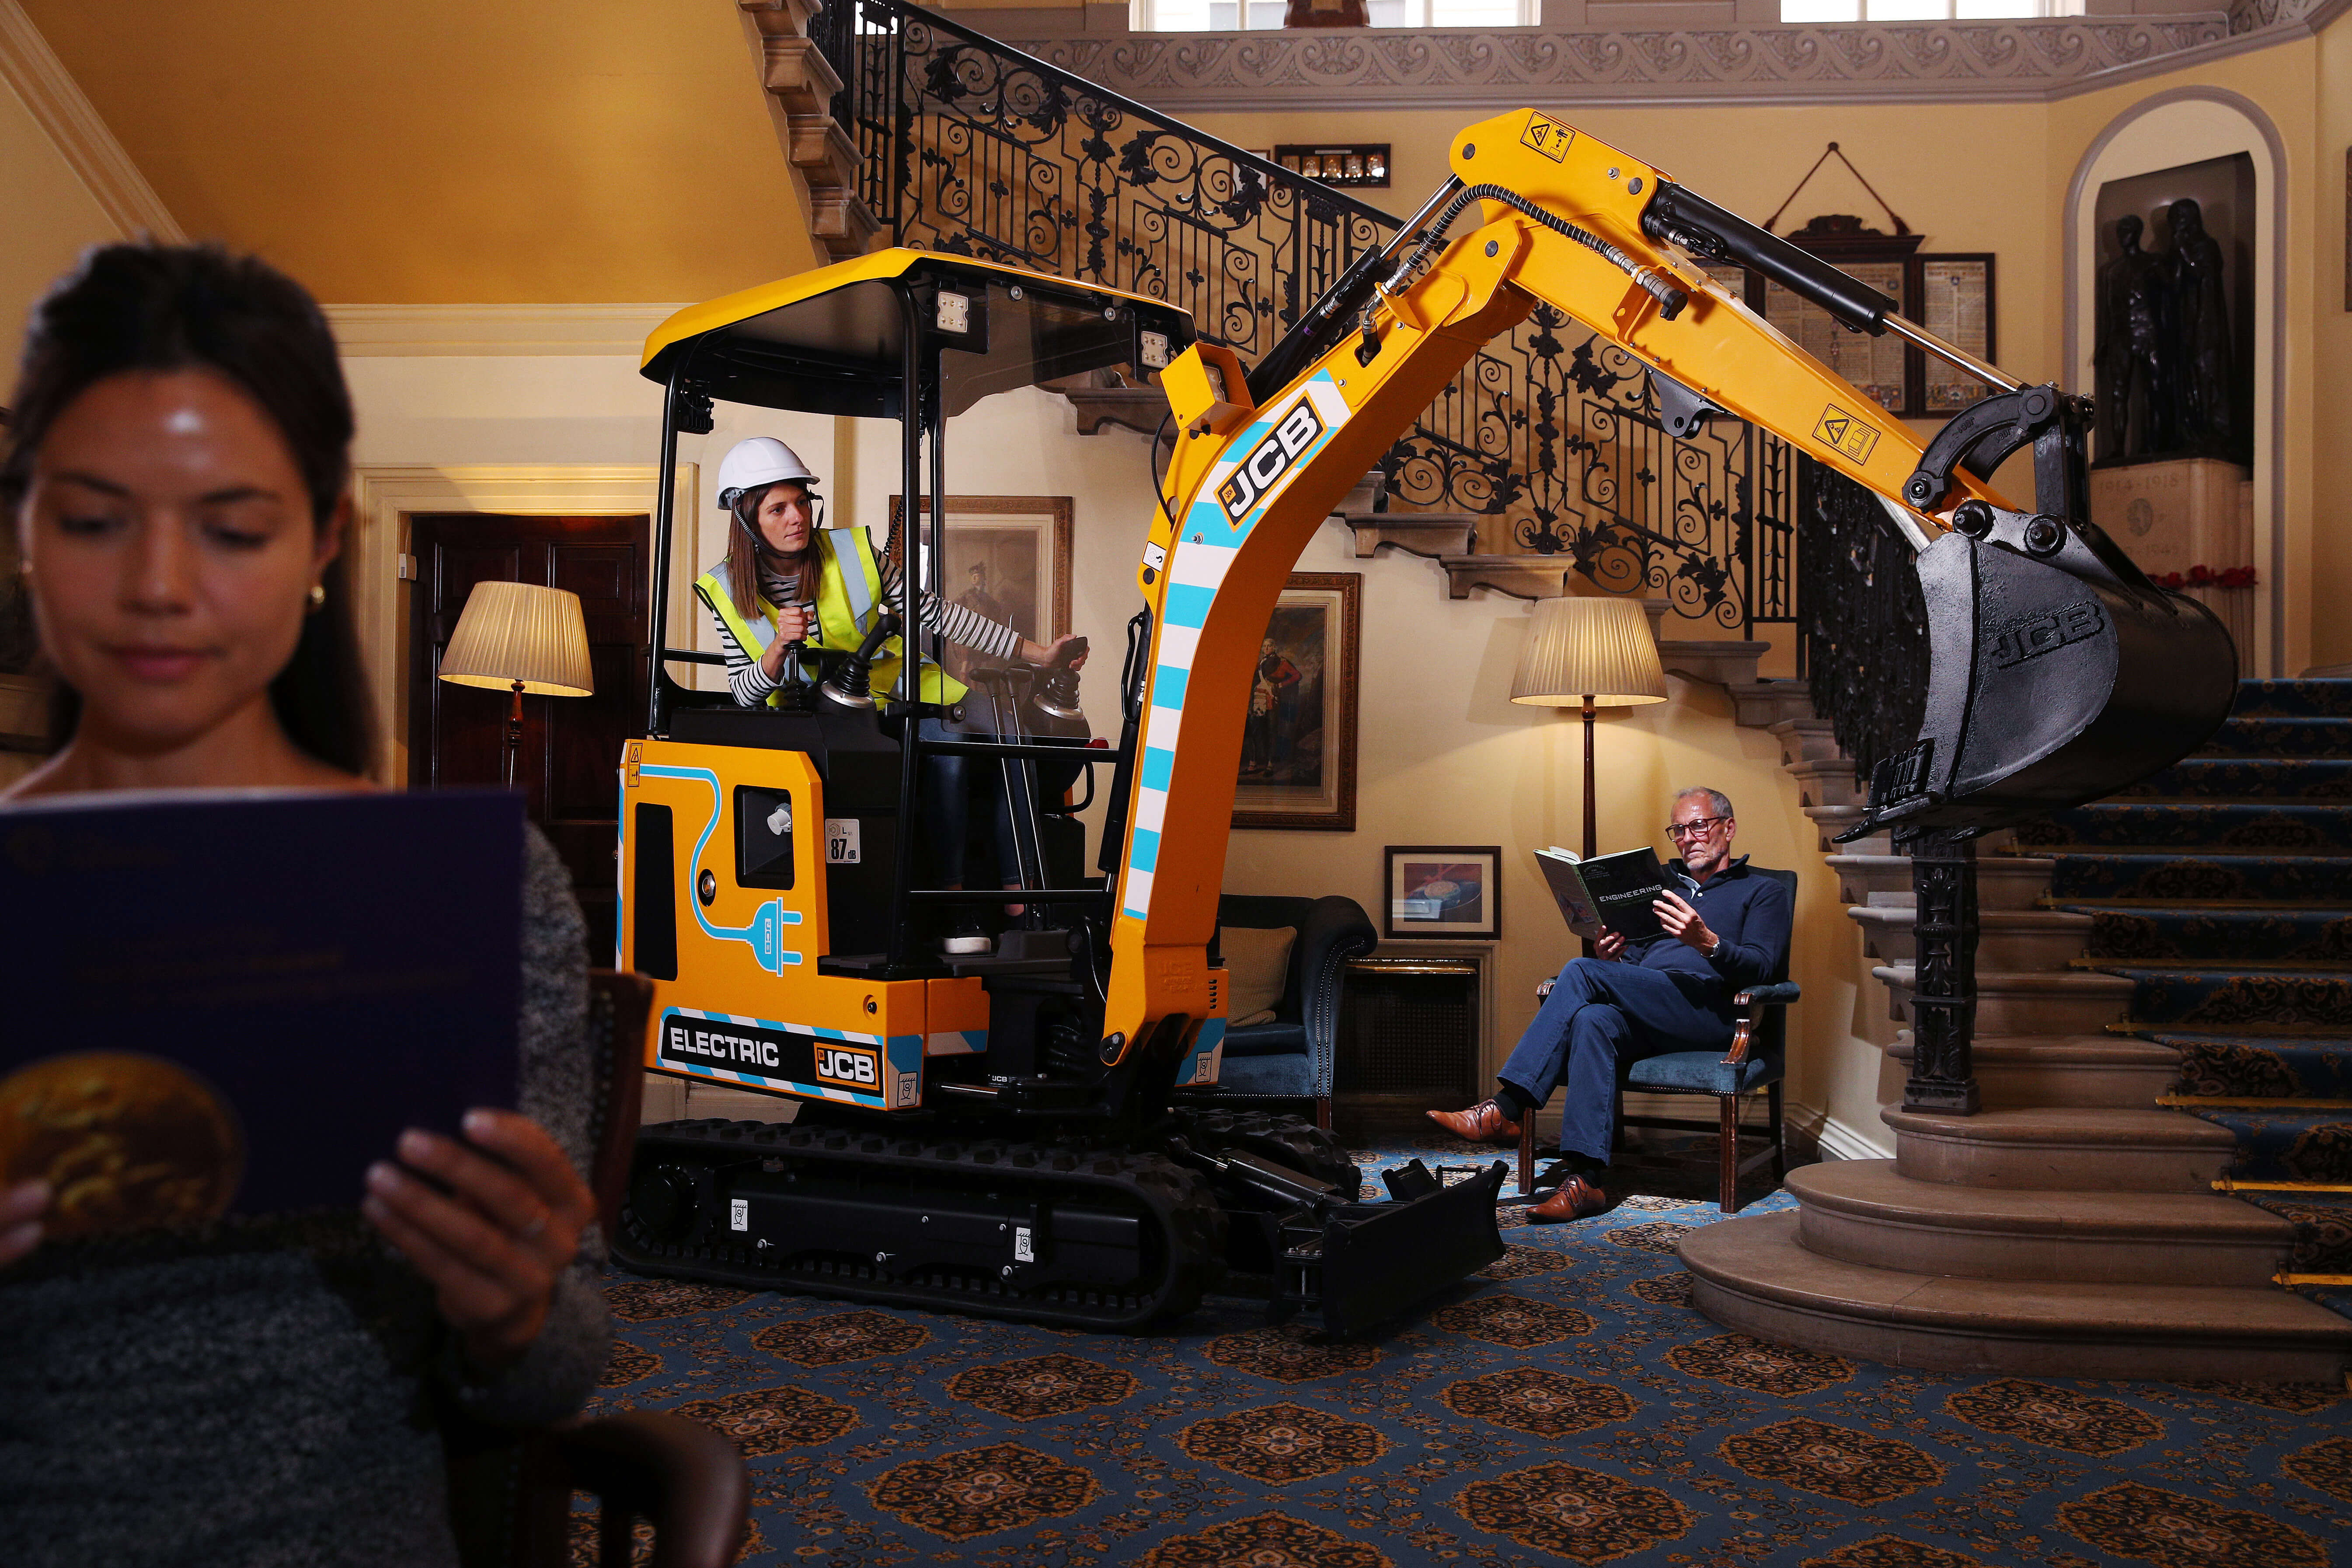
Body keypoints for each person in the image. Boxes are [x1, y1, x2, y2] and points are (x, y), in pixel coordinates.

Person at [0, 242, 606, 1566]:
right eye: (96, 518)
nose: (161, 584)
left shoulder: (473, 895)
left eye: (232, 527)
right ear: (25, 527)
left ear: (324, 535)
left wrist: (511, 1307)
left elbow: (553, 1368)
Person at [696, 438, 1083, 933]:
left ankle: (1020, 895)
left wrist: (1040, 653)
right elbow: (743, 694)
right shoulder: (725, 590)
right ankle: (951, 900)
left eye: (801, 502)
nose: (796, 517)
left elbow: (939, 614)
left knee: (1019, 738)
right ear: (747, 519)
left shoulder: (854, 554)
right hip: (826, 721)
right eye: (778, 508)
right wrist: (776, 649)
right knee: (951, 747)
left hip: (907, 691)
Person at [1425, 787, 1793, 1223]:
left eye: (1699, 825)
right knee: (1593, 1019)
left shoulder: (1764, 890)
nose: (1689, 837)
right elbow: (1640, 960)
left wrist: (1708, 943)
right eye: (1679, 829)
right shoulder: (1660, 885)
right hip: (1650, 1001)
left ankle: (1507, 1108)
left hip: (1709, 1010)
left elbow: (1765, 965)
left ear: (1728, 828)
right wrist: (1614, 955)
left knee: (1579, 973)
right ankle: (1586, 1182)